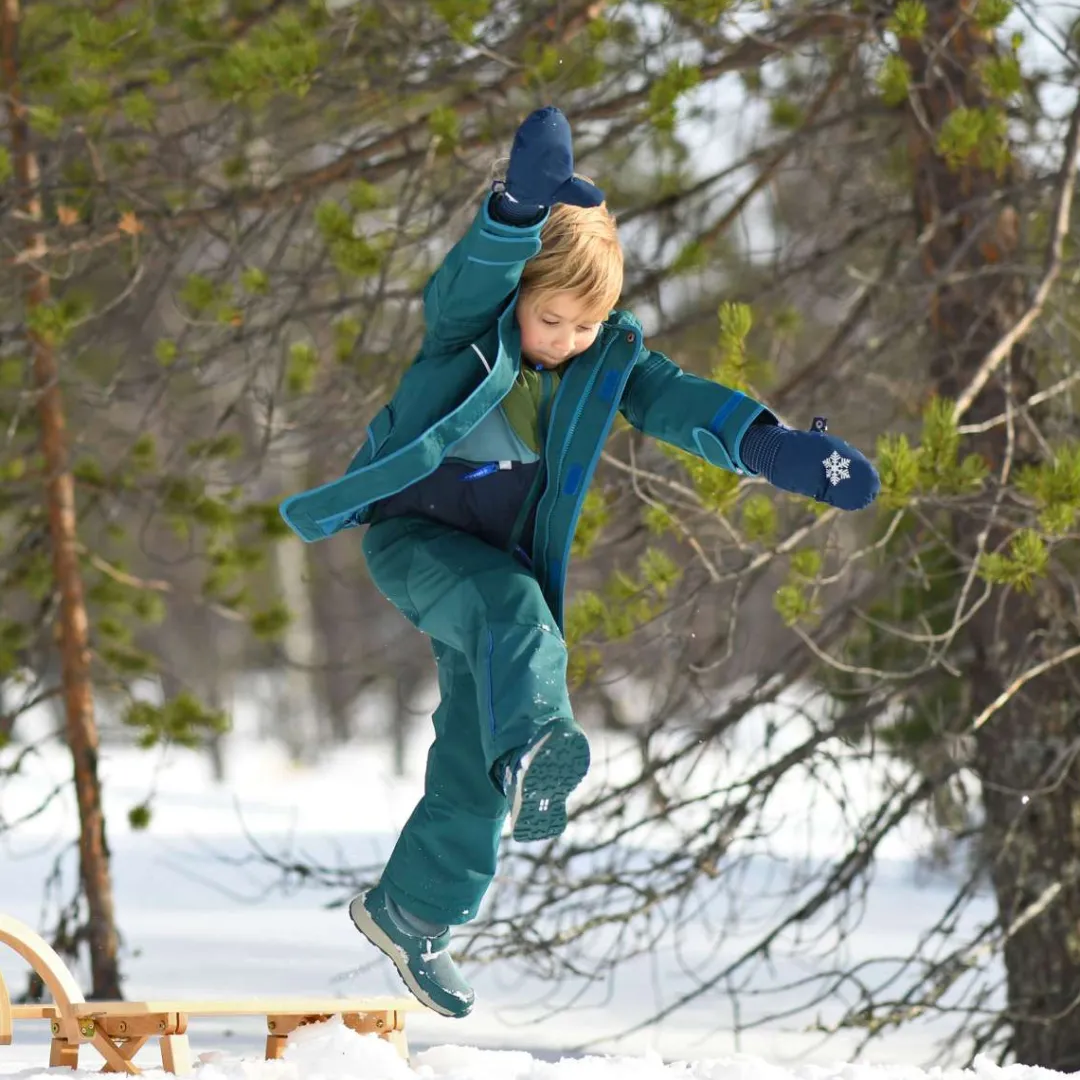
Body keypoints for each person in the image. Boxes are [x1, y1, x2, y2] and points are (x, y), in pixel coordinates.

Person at [279, 106, 880, 1018]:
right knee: (513, 619)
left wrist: (768, 446)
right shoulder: (467, 329)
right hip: (412, 538)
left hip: (492, 556)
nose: (563, 339)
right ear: (521, 292)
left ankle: (412, 910)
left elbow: (676, 400)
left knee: (476, 739)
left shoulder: (604, 358)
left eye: (583, 326)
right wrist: (515, 211)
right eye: (551, 317)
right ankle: (538, 750)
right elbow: (465, 282)